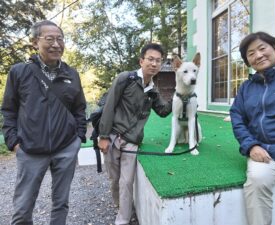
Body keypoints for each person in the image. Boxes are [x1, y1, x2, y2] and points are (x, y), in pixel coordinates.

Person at [1, 20, 87, 225]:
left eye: (60, 39)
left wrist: (79, 137)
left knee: (61, 203)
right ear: (34, 43)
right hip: (30, 149)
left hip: (65, 148)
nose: (56, 44)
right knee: (22, 208)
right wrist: (13, 141)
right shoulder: (19, 72)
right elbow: (9, 109)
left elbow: (79, 108)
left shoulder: (71, 74)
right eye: (49, 39)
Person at [230, 31, 275, 225]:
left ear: (274, 49)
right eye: (251, 53)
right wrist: (251, 146)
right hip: (265, 151)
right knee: (256, 181)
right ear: (248, 61)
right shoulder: (245, 88)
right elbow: (237, 117)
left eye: (262, 48)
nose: (258, 55)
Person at [98, 43, 172, 225]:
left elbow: (163, 111)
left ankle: (122, 219)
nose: (154, 64)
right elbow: (109, 105)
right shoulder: (126, 79)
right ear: (141, 61)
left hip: (132, 141)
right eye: (151, 59)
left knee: (126, 181)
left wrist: (180, 96)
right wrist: (104, 136)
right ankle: (119, 206)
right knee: (114, 179)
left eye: (158, 61)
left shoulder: (152, 91)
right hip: (113, 136)